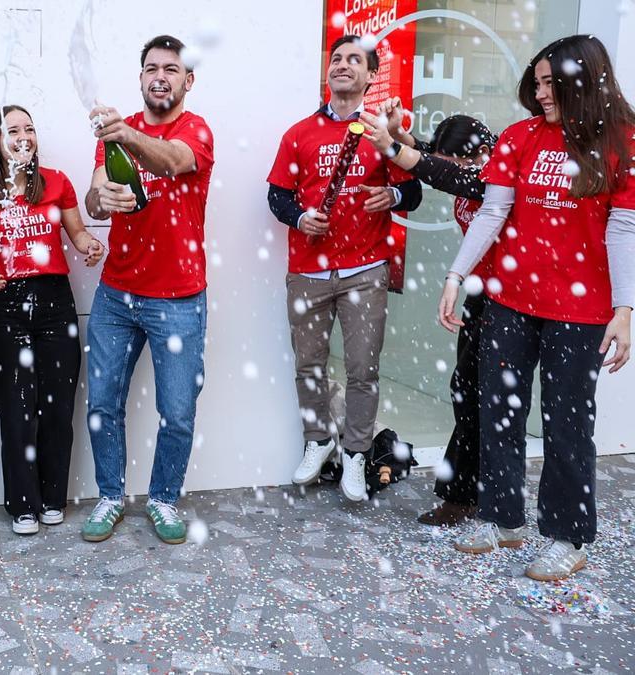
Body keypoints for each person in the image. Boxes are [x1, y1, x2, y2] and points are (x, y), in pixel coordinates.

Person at [438, 35, 633, 581]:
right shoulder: (519, 137)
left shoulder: (622, 140)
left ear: (583, 80)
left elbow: (624, 229)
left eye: (553, 83)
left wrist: (624, 309)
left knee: (567, 424)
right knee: (498, 410)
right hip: (510, 301)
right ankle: (501, 518)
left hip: (580, 312)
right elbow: (492, 213)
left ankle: (567, 536)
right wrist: (456, 274)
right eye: (539, 82)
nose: (542, 93)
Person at [266, 34, 422, 503]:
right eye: (336, 58)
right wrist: (299, 217)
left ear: (371, 75)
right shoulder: (298, 134)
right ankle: (318, 440)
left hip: (365, 269)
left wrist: (392, 194)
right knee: (308, 366)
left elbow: (413, 193)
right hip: (307, 272)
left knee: (362, 370)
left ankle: (356, 452)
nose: (342, 65)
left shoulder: (382, 133)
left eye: (355, 60)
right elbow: (276, 196)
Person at [82, 35, 214, 545]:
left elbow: (172, 161)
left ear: (187, 81)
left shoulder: (196, 130)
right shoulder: (113, 135)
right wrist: (103, 198)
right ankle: (110, 497)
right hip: (116, 295)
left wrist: (127, 136)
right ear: (140, 77)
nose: (161, 76)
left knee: (177, 412)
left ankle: (163, 499)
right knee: (102, 404)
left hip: (179, 298)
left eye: (171, 69)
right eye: (152, 68)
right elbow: (94, 199)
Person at [0, 105, 105, 535]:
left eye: (29, 129)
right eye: (13, 130)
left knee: (58, 409)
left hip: (55, 302)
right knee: (17, 410)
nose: (24, 136)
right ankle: (23, 505)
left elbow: (77, 233)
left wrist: (89, 245)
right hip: (6, 306)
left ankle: (53, 498)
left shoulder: (56, 182)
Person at [360, 110, 496, 525]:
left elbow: (442, 173)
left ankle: (468, 497)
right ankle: (467, 494)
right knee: (467, 390)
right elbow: (434, 162)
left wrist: (391, 146)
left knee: (478, 394)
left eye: (454, 164)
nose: (448, 174)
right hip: (479, 293)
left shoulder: (494, 178)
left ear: (482, 154)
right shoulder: (469, 168)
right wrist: (402, 136)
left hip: (506, 299)